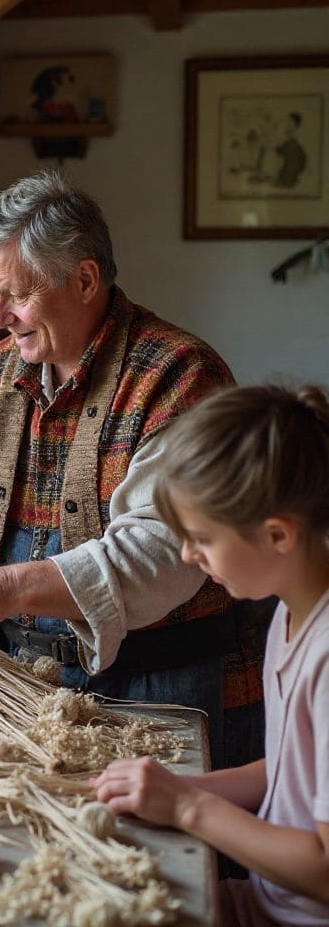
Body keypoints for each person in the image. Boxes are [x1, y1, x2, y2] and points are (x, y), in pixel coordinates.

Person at [0, 169, 269, 774]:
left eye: (16, 295)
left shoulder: (179, 380)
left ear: (85, 279)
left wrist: (1, 589)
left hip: (163, 686)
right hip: (24, 683)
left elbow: (164, 552)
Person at [92, 384, 329, 927]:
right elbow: (294, 769)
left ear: (277, 535)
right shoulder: (291, 611)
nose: (186, 556)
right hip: (271, 901)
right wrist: (183, 786)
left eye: (201, 537)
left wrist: (187, 808)